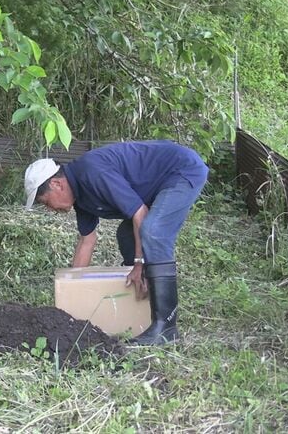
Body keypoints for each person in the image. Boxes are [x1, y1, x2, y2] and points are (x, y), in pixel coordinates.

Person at [24, 140, 208, 345]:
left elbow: (140, 214)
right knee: (126, 234)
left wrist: (140, 264)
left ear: (57, 184)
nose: (50, 208)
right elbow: (87, 240)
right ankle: (144, 308)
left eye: (45, 202)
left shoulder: (92, 173)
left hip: (181, 170)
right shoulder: (81, 199)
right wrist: (69, 298)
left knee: (153, 230)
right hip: (161, 181)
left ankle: (166, 328)